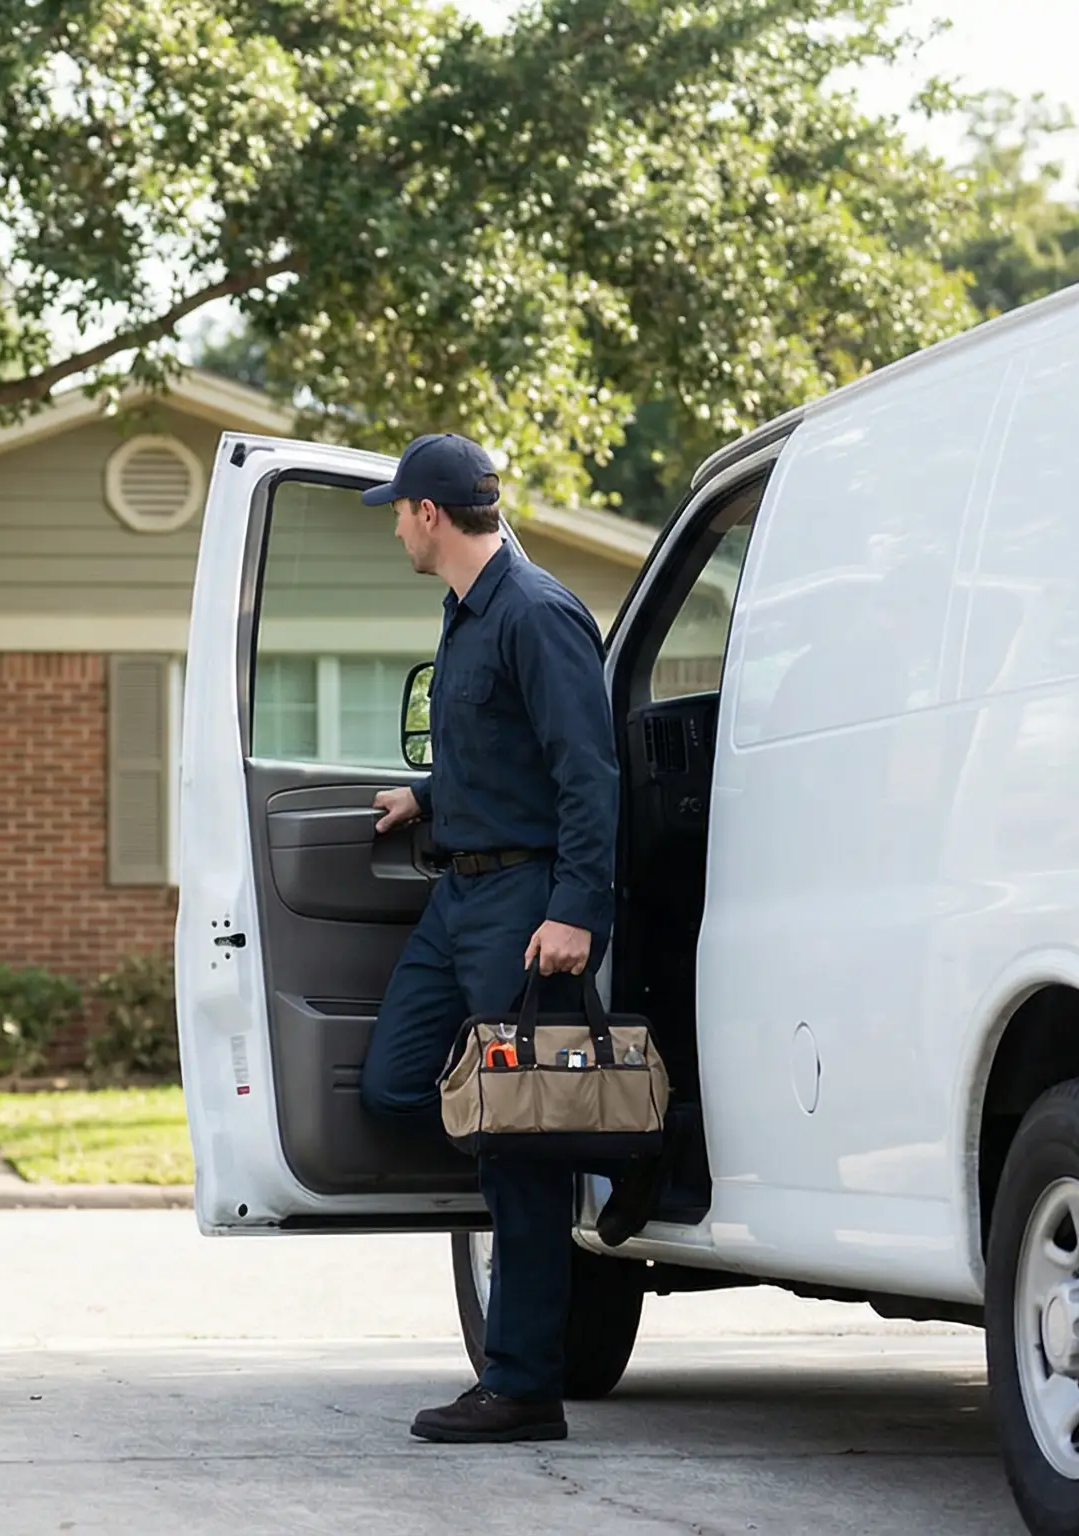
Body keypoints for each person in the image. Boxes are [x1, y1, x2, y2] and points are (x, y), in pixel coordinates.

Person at [356, 432, 620, 1445]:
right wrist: (422, 797)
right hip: (456, 895)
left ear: (429, 514)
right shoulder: (464, 618)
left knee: (516, 1146)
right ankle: (567, 1152)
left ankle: (521, 1386)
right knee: (393, 1086)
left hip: (523, 905)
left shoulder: (538, 614)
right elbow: (500, 751)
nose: (395, 527)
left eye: (397, 511)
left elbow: (584, 774)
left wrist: (576, 909)